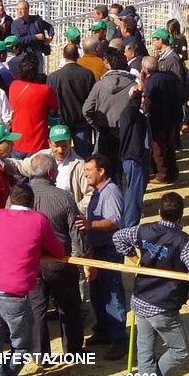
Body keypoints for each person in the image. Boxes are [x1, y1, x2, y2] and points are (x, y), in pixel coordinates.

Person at [113, 192, 189, 376]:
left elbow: (118, 237)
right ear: (181, 216)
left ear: (159, 212)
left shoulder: (144, 230)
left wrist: (135, 259)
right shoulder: (183, 240)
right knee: (180, 350)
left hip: (141, 298)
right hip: (162, 304)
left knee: (145, 352)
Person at [0, 183, 64, 376]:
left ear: (10, 200)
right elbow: (58, 251)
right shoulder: (39, 220)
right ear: (32, 203)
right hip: (15, 296)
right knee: (23, 346)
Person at [26, 153, 90, 356]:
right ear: (51, 172)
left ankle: (39, 354)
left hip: (31, 263)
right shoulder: (63, 197)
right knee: (69, 308)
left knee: (37, 310)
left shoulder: (18, 197)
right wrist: (83, 259)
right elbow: (76, 233)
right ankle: (73, 350)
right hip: (61, 262)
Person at [76, 154, 128, 360]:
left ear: (101, 171)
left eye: (89, 170)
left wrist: (90, 225)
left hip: (109, 249)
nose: (85, 174)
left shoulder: (111, 192)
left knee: (113, 295)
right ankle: (103, 332)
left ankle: (119, 340)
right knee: (98, 294)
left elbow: (114, 221)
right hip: (96, 249)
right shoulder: (97, 192)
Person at [7, 125, 93, 215]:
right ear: (49, 143)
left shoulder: (79, 165)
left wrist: (74, 211)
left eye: (64, 145)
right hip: (40, 213)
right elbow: (20, 166)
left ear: (70, 143)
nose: (60, 150)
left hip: (64, 218)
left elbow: (90, 193)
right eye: (56, 146)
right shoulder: (42, 156)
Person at [82, 50, 137, 176]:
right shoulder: (133, 86)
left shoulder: (99, 86)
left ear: (110, 65)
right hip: (126, 132)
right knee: (123, 169)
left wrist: (96, 125)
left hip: (105, 131)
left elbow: (86, 109)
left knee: (105, 169)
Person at [47, 43, 96, 159]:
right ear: (78, 55)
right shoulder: (87, 74)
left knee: (61, 156)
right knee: (84, 157)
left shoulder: (53, 77)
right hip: (82, 121)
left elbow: (50, 102)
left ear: (63, 56)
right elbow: (92, 99)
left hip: (61, 121)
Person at [141, 56, 180, 187]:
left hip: (158, 118)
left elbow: (148, 101)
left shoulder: (150, 82)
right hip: (172, 116)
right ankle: (173, 171)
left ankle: (162, 174)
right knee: (170, 145)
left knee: (158, 148)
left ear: (146, 69)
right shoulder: (169, 77)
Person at [8, 56, 58, 158]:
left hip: (17, 142)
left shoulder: (13, 85)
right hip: (38, 144)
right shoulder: (45, 90)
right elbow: (54, 107)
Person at [119, 84, 152, 225]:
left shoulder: (144, 113)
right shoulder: (129, 112)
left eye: (145, 96)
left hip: (143, 156)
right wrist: (138, 92)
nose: (143, 99)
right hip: (133, 160)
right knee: (132, 197)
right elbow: (132, 108)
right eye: (140, 97)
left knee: (137, 196)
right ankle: (129, 229)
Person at [11, 0, 54, 72]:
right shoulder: (15, 24)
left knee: (39, 75)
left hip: (37, 54)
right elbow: (18, 40)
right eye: (17, 9)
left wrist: (50, 37)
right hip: (24, 55)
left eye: (22, 9)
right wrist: (35, 37)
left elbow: (49, 27)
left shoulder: (36, 20)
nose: (19, 11)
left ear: (27, 9)